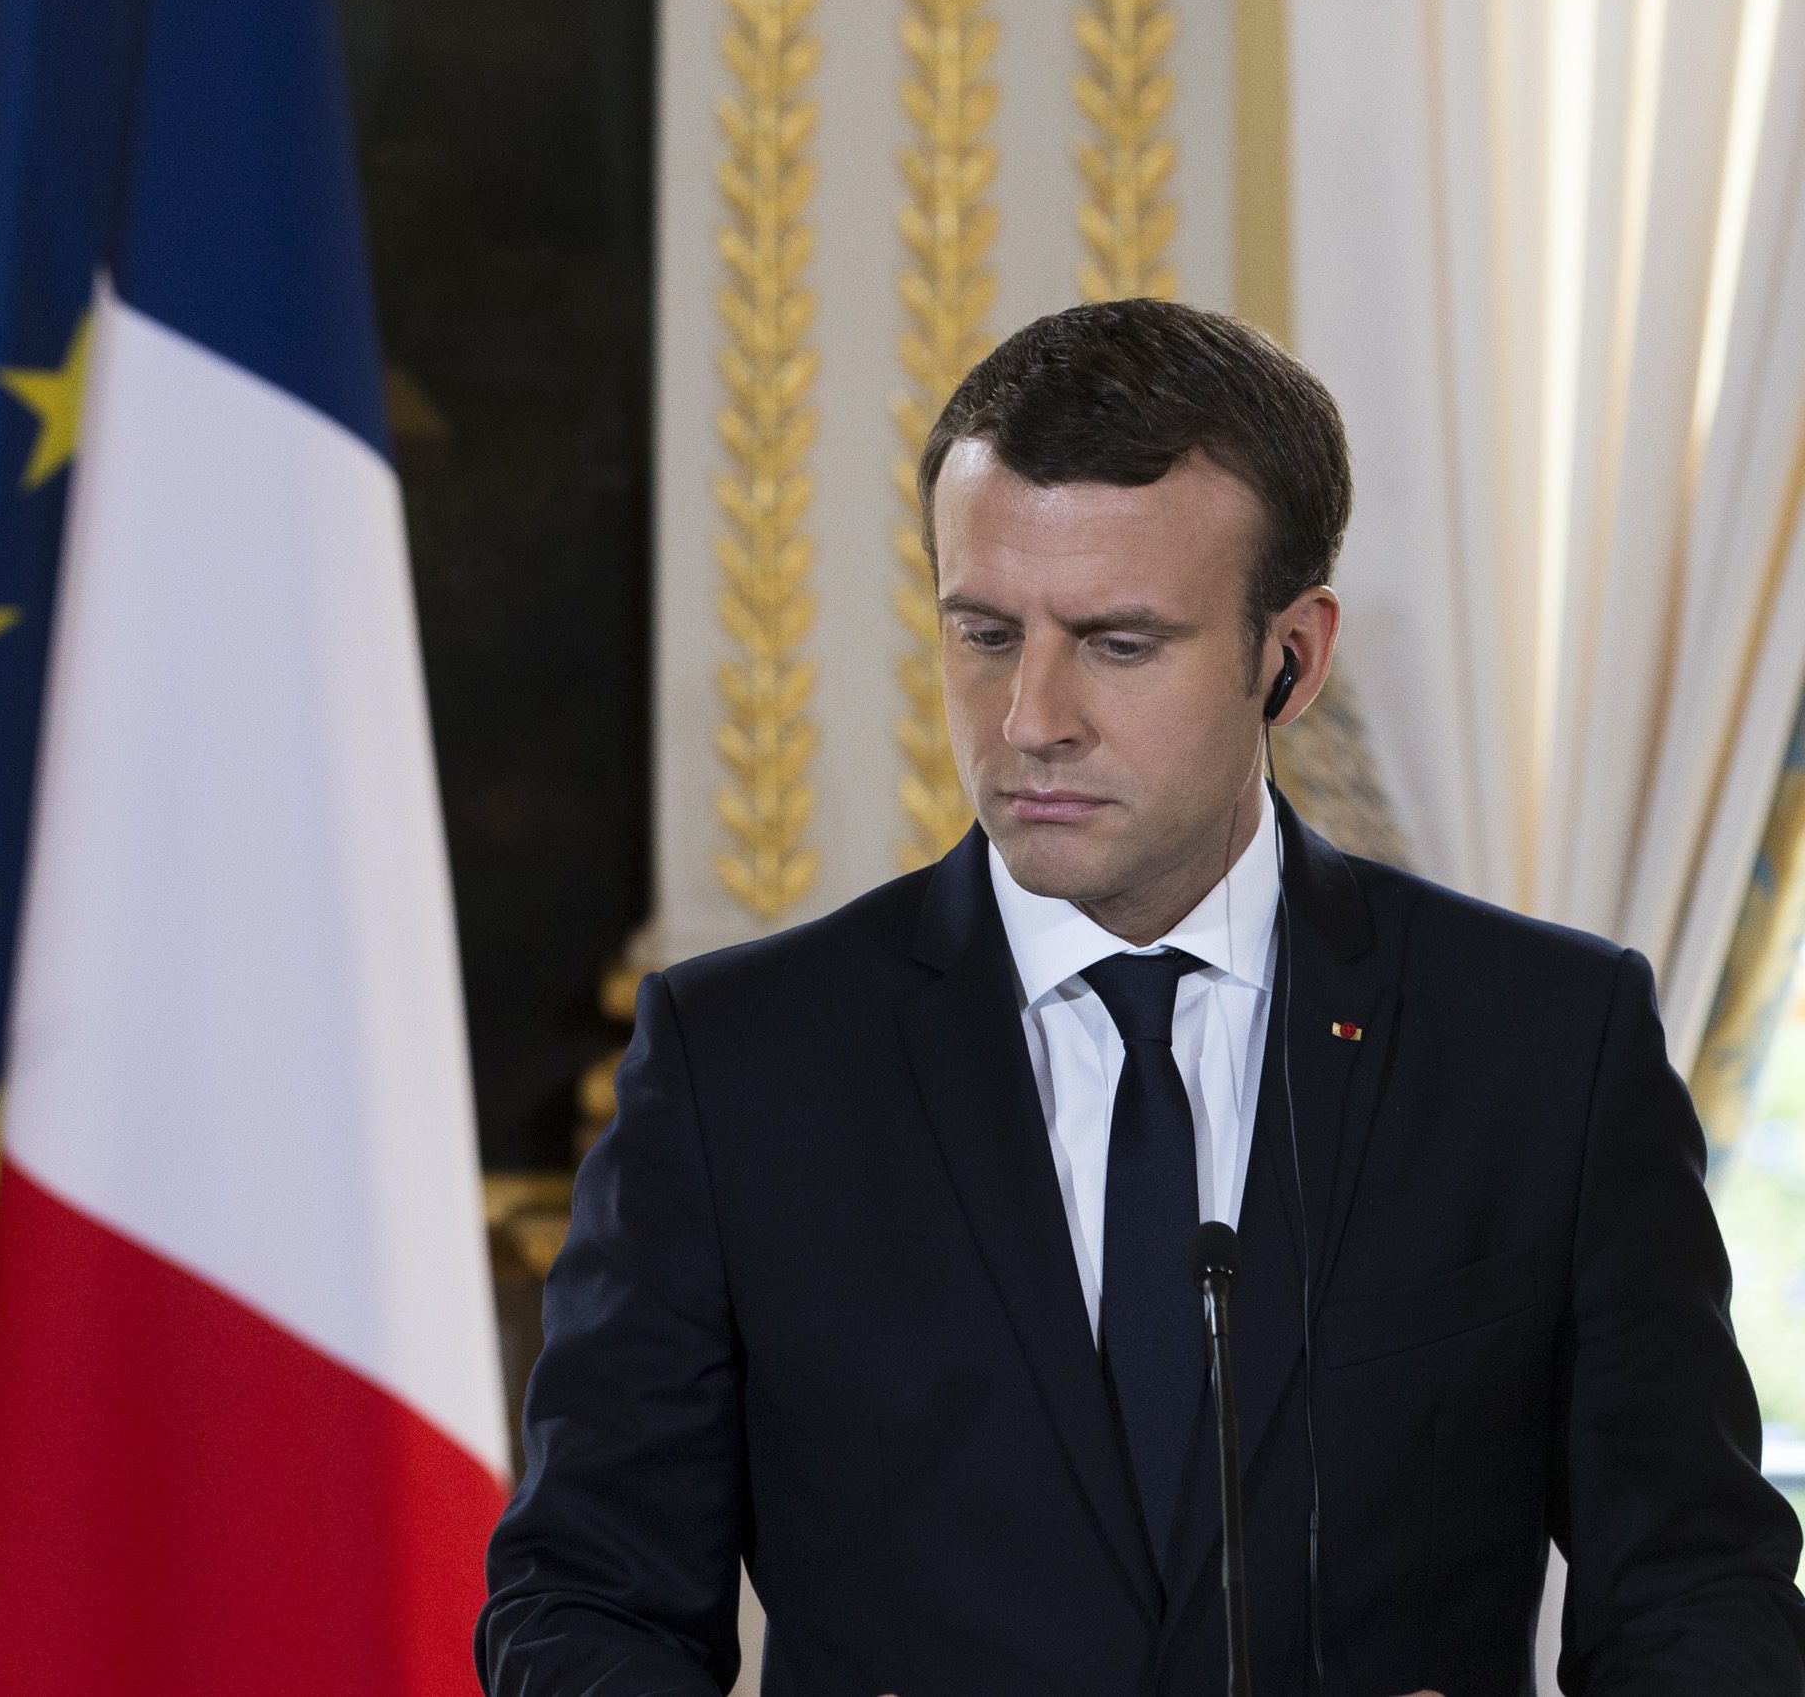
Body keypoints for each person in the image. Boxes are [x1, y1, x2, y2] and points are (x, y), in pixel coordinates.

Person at [481, 301, 1805, 1695]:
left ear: (1290, 658)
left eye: (1118, 643)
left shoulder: (1543, 1045)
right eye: (986, 633)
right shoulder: (740, 1064)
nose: (1029, 719)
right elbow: (583, 1607)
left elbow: (1701, 1597)